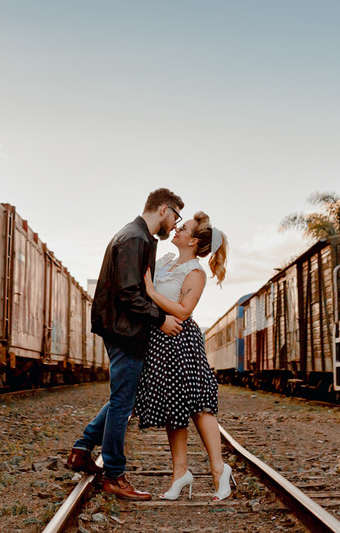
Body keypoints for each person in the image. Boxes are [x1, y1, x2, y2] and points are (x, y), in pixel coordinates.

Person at [66, 189, 185, 501]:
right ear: (163, 209)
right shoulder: (135, 238)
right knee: (123, 403)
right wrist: (160, 319)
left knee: (122, 398)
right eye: (175, 216)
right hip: (125, 330)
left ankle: (82, 449)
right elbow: (128, 292)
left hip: (123, 329)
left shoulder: (136, 235)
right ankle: (114, 476)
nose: (175, 224)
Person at [135, 211, 234, 501]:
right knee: (173, 407)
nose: (176, 229)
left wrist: (151, 291)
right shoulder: (165, 261)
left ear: (193, 241)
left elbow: (183, 311)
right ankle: (180, 474)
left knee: (200, 407)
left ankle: (219, 472)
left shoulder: (195, 273)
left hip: (181, 339)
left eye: (184, 228)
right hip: (161, 339)